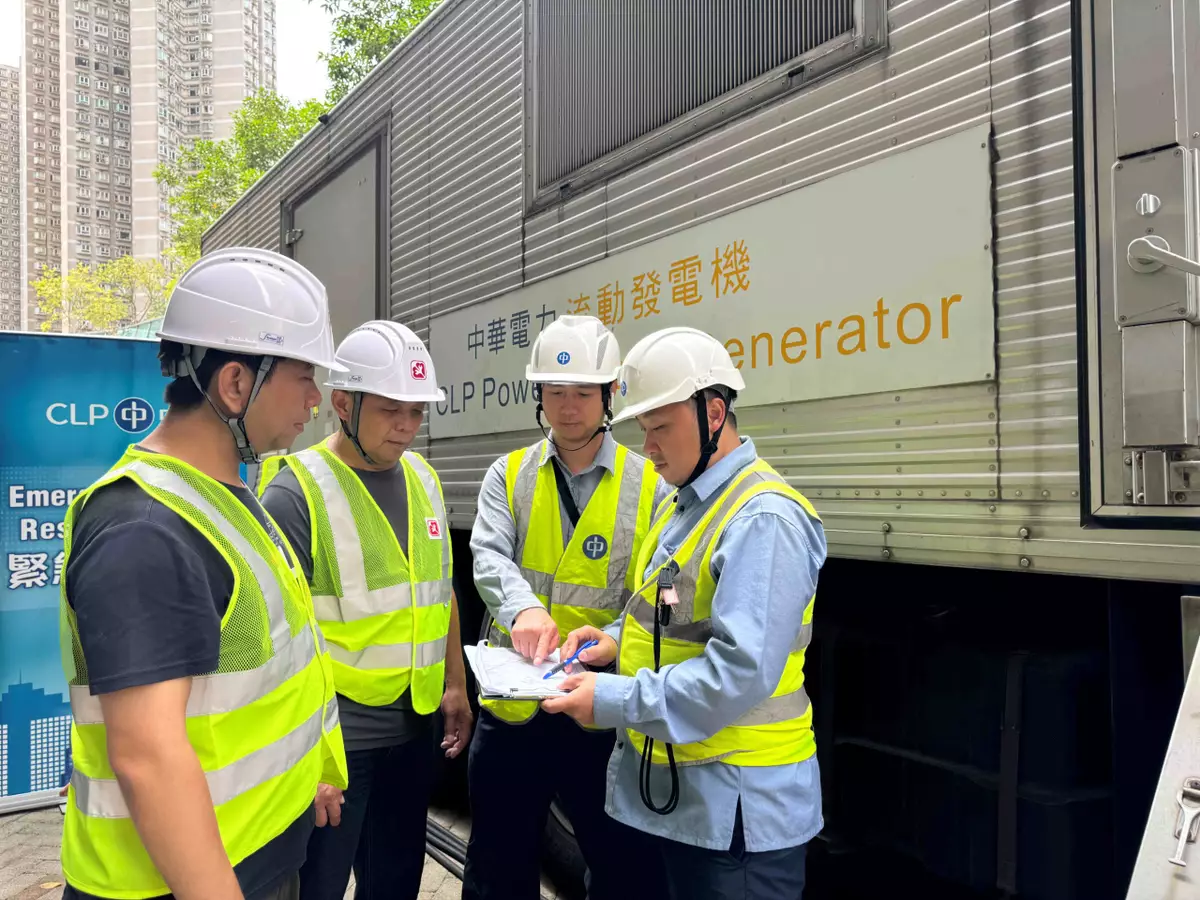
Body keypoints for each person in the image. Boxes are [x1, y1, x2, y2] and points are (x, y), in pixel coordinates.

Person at [58, 247, 349, 900]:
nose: (316, 400)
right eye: (304, 376)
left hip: (253, 853)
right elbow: (147, 757)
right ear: (236, 384)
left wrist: (306, 775)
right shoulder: (143, 528)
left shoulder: (225, 497)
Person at [543, 325, 827, 900]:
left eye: (660, 428)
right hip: (689, 804)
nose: (647, 448)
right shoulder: (688, 503)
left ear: (714, 413)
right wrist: (614, 639)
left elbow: (737, 674)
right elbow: (671, 617)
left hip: (740, 818)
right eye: (643, 430)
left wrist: (611, 700)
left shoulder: (762, 520)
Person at [257, 320, 472, 900]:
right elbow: (277, 641)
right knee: (320, 885)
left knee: (395, 882)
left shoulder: (423, 478)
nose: (406, 425)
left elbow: (440, 590)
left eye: (417, 411)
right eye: (390, 409)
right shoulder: (296, 491)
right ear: (343, 404)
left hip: (414, 729)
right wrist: (305, 755)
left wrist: (455, 684)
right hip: (338, 743)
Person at [462, 315, 671, 900]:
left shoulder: (650, 485)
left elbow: (657, 591)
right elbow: (488, 555)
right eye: (555, 392)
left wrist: (611, 636)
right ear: (539, 396)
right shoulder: (508, 476)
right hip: (513, 712)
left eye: (583, 392)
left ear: (608, 396)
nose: (568, 407)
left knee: (623, 869)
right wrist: (522, 610)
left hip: (599, 709)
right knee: (497, 869)